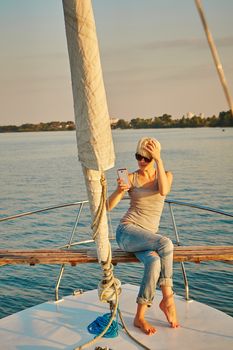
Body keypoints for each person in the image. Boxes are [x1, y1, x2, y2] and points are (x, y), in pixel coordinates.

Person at [106, 137, 179, 335]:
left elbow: (163, 190)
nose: (141, 161)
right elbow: (108, 206)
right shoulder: (129, 177)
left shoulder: (166, 175)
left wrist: (159, 160)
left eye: (146, 158)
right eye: (138, 156)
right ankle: (168, 300)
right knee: (165, 243)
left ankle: (139, 317)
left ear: (154, 157)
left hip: (146, 239)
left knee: (155, 263)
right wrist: (118, 190)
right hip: (127, 232)